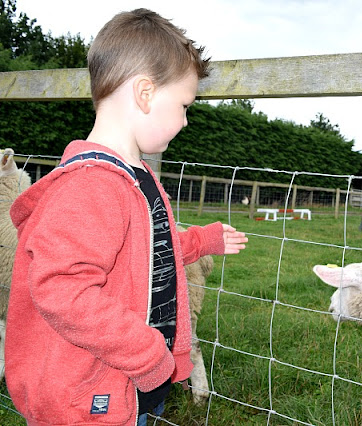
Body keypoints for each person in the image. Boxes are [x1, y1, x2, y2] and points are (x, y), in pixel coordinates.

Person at [4, 8, 248, 425]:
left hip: (119, 386)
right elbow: (63, 288)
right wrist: (150, 355)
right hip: (86, 400)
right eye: (184, 105)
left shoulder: (132, 178)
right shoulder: (93, 186)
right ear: (145, 93)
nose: (185, 120)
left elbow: (146, 251)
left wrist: (201, 241)